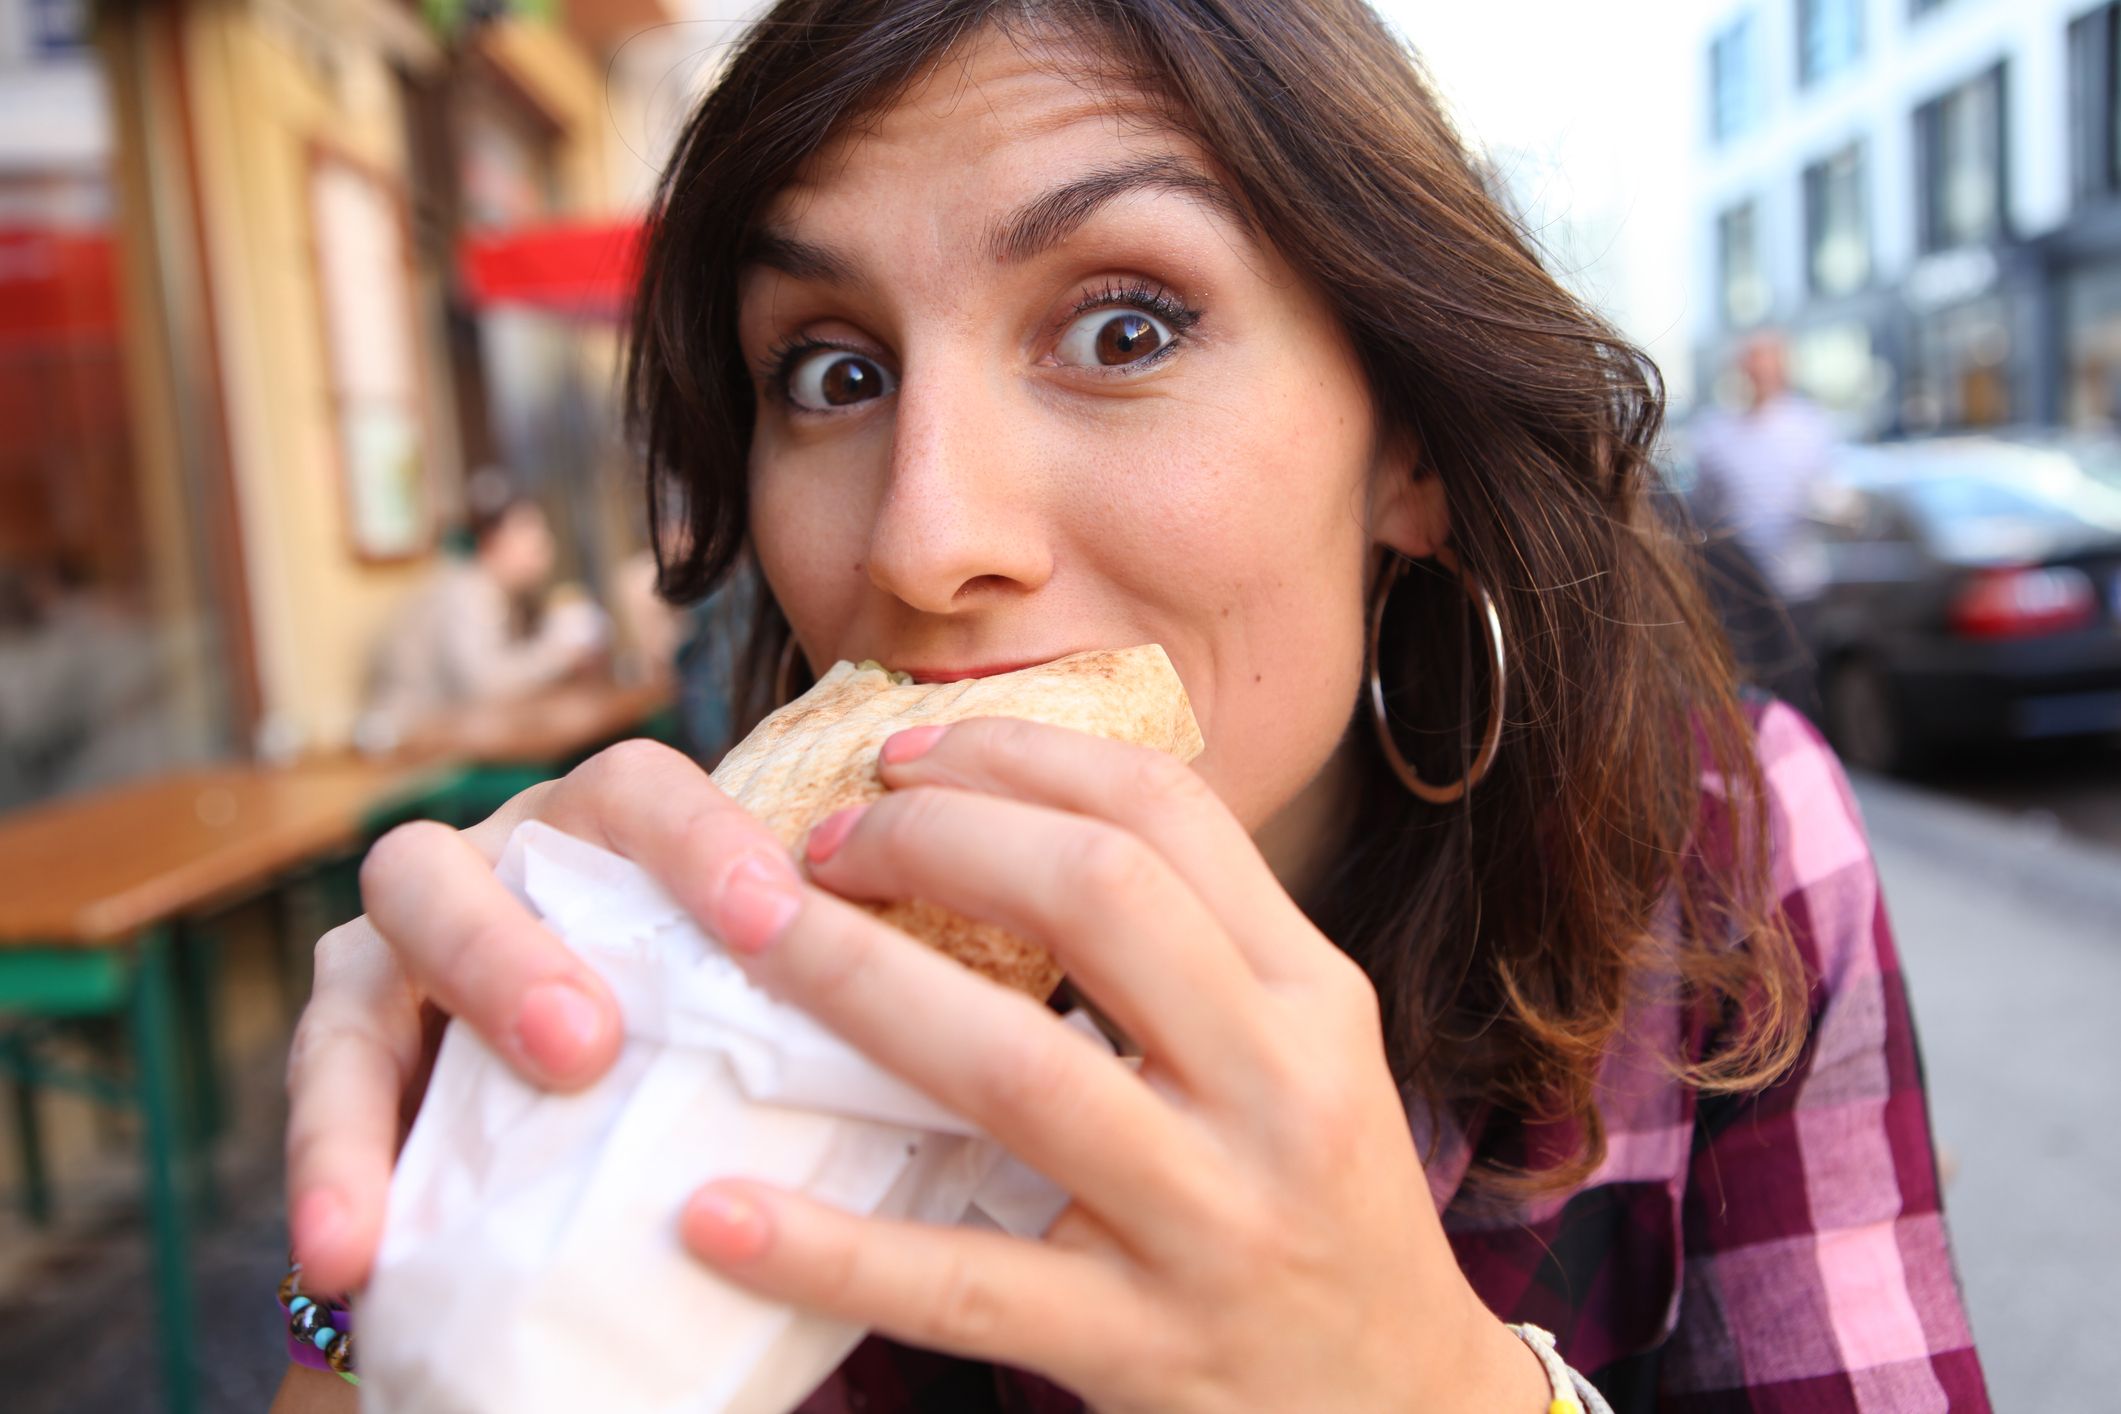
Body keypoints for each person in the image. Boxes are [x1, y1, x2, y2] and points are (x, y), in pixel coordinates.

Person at [275, 4, 1988, 1410]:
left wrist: (1439, 1387)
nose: (923, 535)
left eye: (1123, 328)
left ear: (1404, 444)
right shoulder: (669, 973)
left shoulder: (1711, 858)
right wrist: (411, 1245)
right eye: (835, 370)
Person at [356, 476, 606, 754]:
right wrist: (558, 652)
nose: (545, 545)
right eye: (530, 532)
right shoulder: (464, 592)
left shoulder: (492, 591)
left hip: (450, 737)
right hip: (414, 750)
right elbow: (484, 686)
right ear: (493, 540)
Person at [1689, 332, 1836, 716]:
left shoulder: (1810, 426)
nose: (1759, 372)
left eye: (1767, 362)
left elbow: (1828, 495)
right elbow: (1704, 507)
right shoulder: (1716, 433)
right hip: (1737, 588)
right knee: (1748, 688)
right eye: (1752, 362)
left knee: (1797, 688)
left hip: (1794, 584)